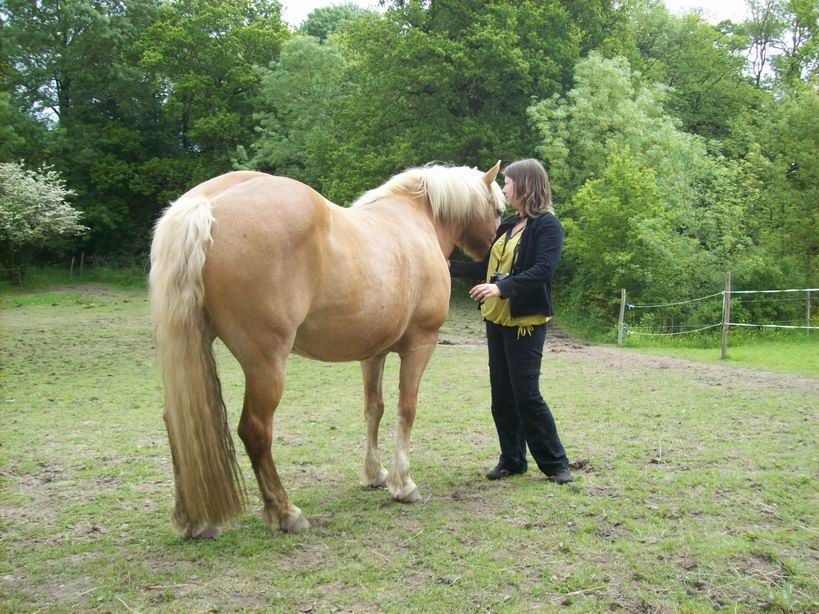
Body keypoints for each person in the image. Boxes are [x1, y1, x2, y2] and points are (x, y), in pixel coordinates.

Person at [450, 158, 572, 484]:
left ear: (526, 186)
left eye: (507, 183)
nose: (504, 189)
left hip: (525, 322)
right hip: (496, 320)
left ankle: (556, 464)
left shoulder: (548, 226)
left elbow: (542, 270)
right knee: (502, 397)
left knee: (526, 395)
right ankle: (512, 460)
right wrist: (445, 265)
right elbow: (484, 269)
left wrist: (501, 288)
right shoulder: (507, 226)